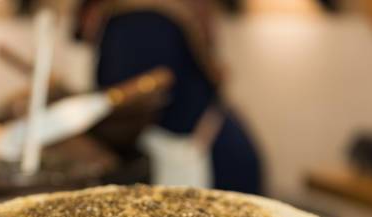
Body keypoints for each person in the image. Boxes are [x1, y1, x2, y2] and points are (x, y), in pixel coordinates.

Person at [75, 0, 262, 194]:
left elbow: (127, 105)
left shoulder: (135, 22)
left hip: (210, 158)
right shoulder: (148, 15)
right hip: (215, 143)